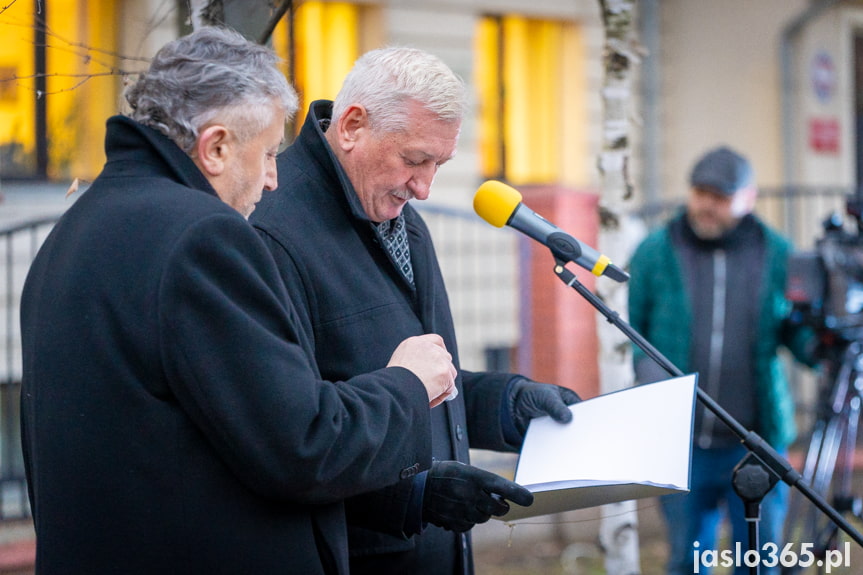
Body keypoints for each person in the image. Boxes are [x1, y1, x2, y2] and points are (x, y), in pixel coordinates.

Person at [18, 27, 492, 575]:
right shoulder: (202, 238)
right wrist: (406, 384)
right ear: (216, 147)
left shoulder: (74, 228)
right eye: (267, 152)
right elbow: (303, 446)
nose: (272, 180)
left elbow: (215, 442)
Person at [250, 46, 579, 575]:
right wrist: (413, 496)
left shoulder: (400, 216)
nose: (425, 188)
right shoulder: (271, 230)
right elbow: (284, 441)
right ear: (353, 125)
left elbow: (418, 386)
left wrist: (505, 405)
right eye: (414, 159)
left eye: (439, 165)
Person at [627, 146, 817, 575]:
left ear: (748, 198)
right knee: (687, 560)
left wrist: (823, 344)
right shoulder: (656, 251)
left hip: (757, 444)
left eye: (720, 196)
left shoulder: (777, 253)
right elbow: (629, 328)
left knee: (759, 559)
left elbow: (798, 333)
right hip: (681, 443)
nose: (707, 205)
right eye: (700, 193)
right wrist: (645, 371)